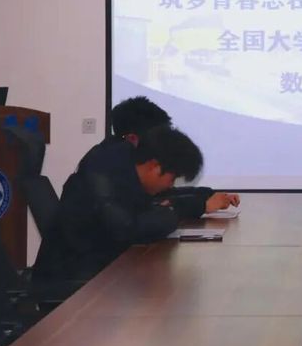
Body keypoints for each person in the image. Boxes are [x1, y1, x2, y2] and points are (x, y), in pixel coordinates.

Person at [34, 126, 210, 283]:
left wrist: (184, 205)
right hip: (75, 282)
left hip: (102, 269)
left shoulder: (125, 168)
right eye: (172, 178)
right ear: (154, 166)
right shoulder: (104, 174)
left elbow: (151, 211)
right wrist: (173, 212)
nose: (171, 185)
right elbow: (127, 228)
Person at [80, 96, 238, 214]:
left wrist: (207, 195)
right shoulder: (108, 166)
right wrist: (201, 206)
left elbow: (163, 195)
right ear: (132, 139)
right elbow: (141, 215)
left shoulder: (127, 160)